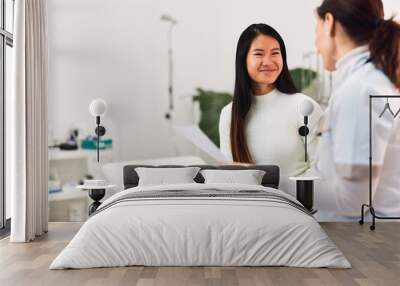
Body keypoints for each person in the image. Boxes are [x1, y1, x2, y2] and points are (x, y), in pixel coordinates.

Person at [314, 0, 400, 217]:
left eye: (315, 29)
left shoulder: (360, 90)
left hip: (366, 244)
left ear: (329, 23)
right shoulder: (369, 81)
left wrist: (278, 187)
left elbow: (353, 202)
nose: (315, 43)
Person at [219, 23, 323, 195]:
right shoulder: (229, 114)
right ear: (243, 59)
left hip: (296, 209)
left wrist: (283, 195)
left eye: (275, 53)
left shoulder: (304, 107)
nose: (268, 61)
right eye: (259, 54)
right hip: (248, 209)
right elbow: (230, 177)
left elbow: (321, 168)